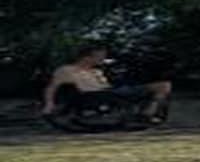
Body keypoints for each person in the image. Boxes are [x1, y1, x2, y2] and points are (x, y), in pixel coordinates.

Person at [41, 45, 171, 124]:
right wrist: (49, 104)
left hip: (109, 94)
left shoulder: (96, 71)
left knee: (163, 86)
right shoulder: (67, 70)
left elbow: (106, 86)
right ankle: (145, 115)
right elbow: (52, 87)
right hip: (92, 96)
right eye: (99, 57)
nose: (102, 59)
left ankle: (146, 113)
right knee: (162, 86)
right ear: (87, 57)